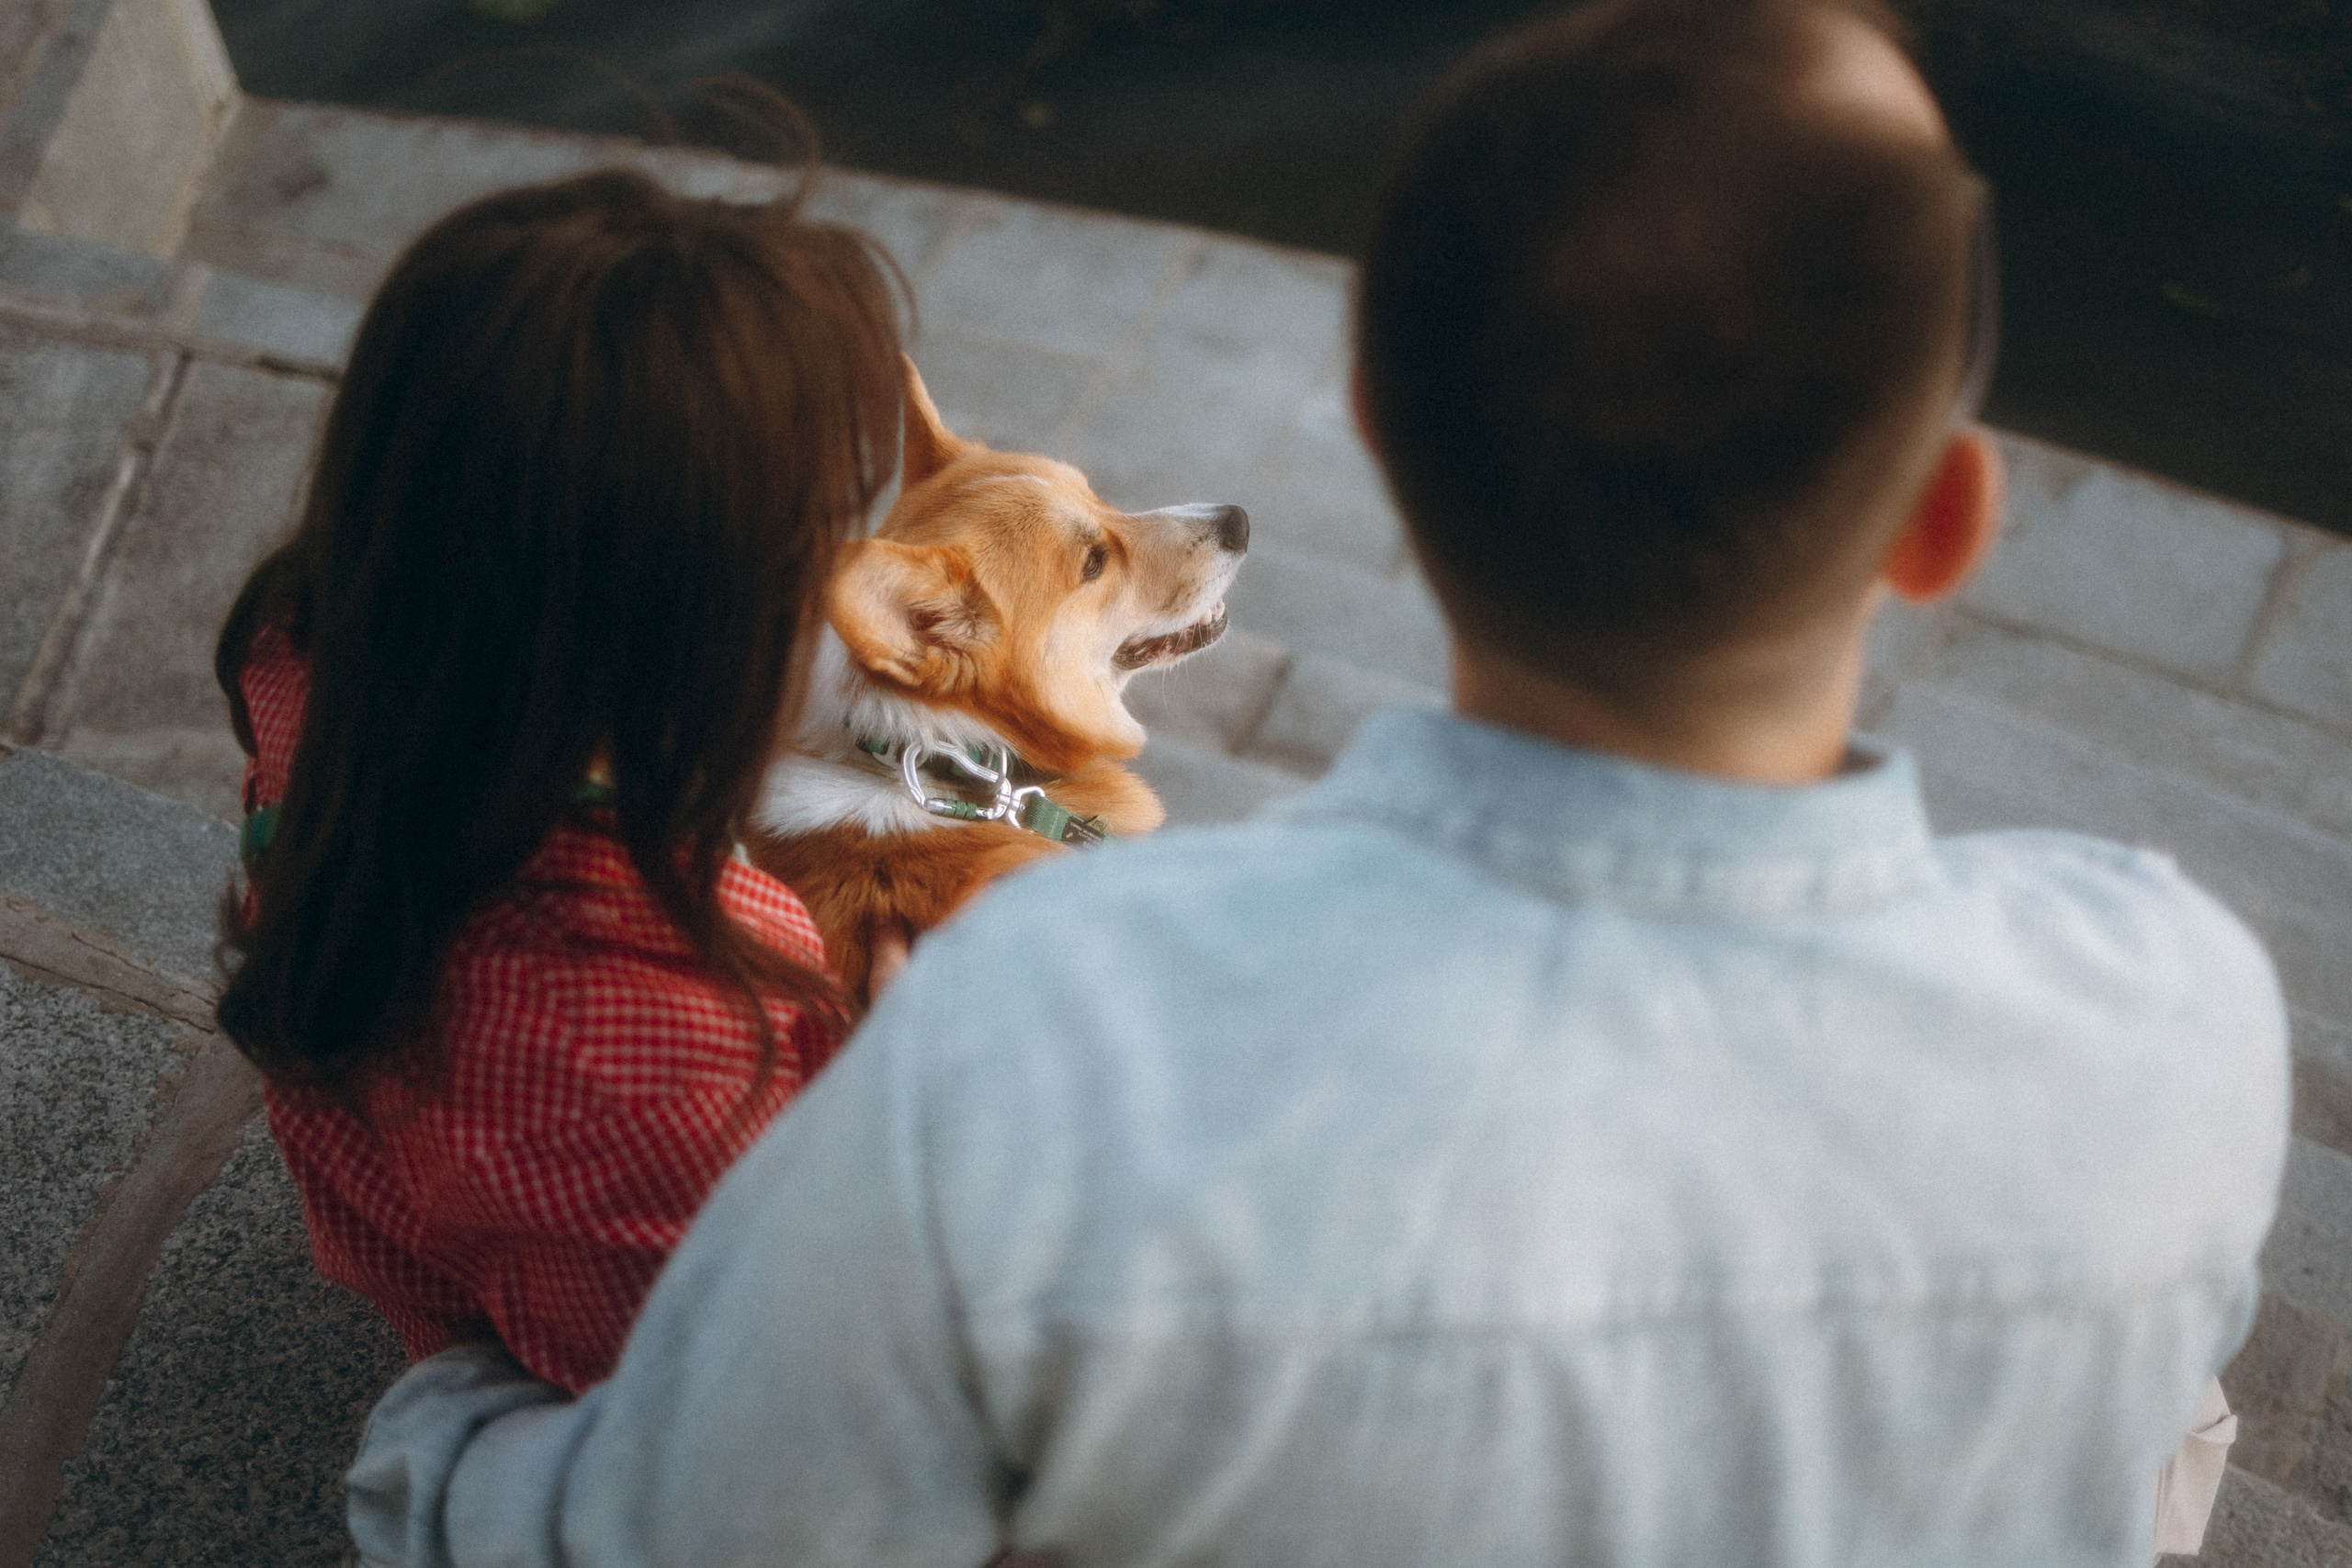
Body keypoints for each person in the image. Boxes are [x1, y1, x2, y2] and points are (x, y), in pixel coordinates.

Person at [346, 1, 2290, 1562]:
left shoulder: (1038, 1034)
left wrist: (439, 1417)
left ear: (1375, 415)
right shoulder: (2175, 999)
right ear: (1944, 520)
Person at [213, 167, 905, 1395]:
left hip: (423, 1193)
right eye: (815, 541)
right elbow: (707, 1375)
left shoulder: (306, 657)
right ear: (683, 634)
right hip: (603, 1366)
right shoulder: (660, 1063)